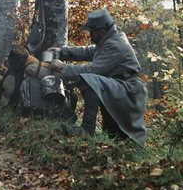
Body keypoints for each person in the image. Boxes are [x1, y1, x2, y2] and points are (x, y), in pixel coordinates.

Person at [49, 9, 147, 146]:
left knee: (90, 80)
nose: (90, 35)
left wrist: (62, 68)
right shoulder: (110, 39)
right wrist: (62, 52)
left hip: (127, 91)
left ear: (101, 31)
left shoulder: (115, 45)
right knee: (117, 137)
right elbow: (89, 51)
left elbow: (93, 70)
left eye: (92, 32)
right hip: (121, 88)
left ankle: (86, 130)